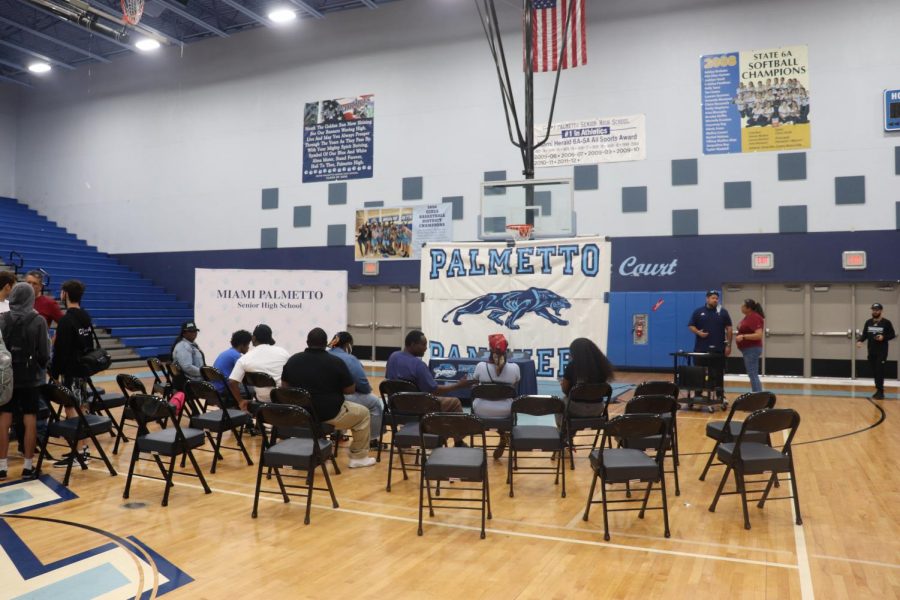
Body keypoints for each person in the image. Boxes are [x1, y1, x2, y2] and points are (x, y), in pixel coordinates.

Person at [281, 328, 376, 468]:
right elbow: (350, 390)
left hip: (300, 413)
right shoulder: (336, 362)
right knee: (363, 414)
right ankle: (359, 457)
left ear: (307, 342)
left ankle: (315, 452)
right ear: (326, 343)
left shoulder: (293, 360)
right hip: (330, 414)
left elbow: (284, 387)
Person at [385, 330, 472, 446]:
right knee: (454, 403)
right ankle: (455, 441)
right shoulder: (418, 365)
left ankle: (408, 439)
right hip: (417, 409)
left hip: (395, 407)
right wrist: (458, 385)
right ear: (412, 344)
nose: (426, 348)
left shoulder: (393, 357)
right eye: (423, 344)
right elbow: (434, 390)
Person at [0, 283, 51, 481]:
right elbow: (45, 354)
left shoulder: (2, 319)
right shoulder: (38, 320)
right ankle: (28, 466)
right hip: (30, 379)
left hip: (7, 377)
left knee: (3, 421)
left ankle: (2, 466)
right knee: (29, 420)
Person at [48, 280, 95, 467]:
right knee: (82, 406)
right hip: (82, 370)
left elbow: (61, 351)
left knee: (71, 409)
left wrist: (54, 371)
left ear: (65, 294)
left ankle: (79, 453)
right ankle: (83, 449)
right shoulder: (85, 316)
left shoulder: (67, 320)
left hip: (71, 371)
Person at [327, 331, 383, 448]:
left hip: (326, 397)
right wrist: (367, 389)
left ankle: (337, 435)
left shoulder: (325, 355)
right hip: (343, 398)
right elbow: (362, 385)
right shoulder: (350, 359)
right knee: (375, 402)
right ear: (348, 345)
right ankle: (373, 440)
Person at [472, 333, 520, 459]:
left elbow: (475, 385)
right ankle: (504, 434)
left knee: (489, 404)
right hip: (505, 411)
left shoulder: (480, 367)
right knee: (502, 404)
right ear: (507, 349)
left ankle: (477, 450)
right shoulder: (515, 368)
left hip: (481, 411)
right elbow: (515, 387)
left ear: (489, 348)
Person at [228, 324, 291, 408]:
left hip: (262, 405)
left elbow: (232, 382)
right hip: (283, 401)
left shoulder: (244, 359)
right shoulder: (283, 352)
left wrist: (241, 402)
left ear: (253, 338)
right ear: (270, 338)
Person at [558, 338, 615, 427]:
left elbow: (565, 390)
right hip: (598, 409)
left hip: (574, 409)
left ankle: (566, 434)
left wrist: (563, 384)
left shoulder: (572, 366)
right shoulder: (602, 366)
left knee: (560, 403)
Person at [688, 290, 733, 400]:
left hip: (718, 349)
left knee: (718, 373)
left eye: (717, 298)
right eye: (713, 298)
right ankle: (698, 395)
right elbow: (691, 325)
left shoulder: (723, 312)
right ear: (707, 299)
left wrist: (728, 345)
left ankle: (719, 395)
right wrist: (698, 332)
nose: (715, 300)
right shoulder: (698, 312)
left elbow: (729, 328)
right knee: (699, 372)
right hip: (701, 348)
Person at [857, 303, 895, 400]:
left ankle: (880, 391)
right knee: (875, 371)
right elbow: (865, 334)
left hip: (882, 352)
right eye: (873, 310)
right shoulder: (868, 322)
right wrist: (860, 341)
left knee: (879, 371)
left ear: (881, 311)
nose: (875, 311)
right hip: (871, 351)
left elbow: (892, 335)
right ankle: (878, 389)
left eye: (877, 310)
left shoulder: (886, 322)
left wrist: (883, 337)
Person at [735, 299, 765, 393]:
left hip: (752, 349)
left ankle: (758, 396)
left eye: (743, 306)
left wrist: (743, 336)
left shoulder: (754, 317)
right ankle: (757, 394)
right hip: (747, 349)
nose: (741, 307)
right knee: (752, 373)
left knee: (752, 373)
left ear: (748, 308)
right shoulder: (748, 317)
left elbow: (758, 335)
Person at [212, 329, 252, 397]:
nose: (248, 347)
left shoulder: (226, 353)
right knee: (254, 390)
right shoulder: (236, 356)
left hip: (216, 387)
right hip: (225, 388)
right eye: (248, 344)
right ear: (242, 345)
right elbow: (244, 376)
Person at [171, 321, 205, 386]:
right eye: (190, 331)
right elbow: (187, 367)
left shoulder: (191, 344)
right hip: (190, 383)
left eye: (195, 331)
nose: (194, 333)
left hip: (193, 379)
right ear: (184, 333)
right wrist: (203, 373)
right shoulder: (183, 346)